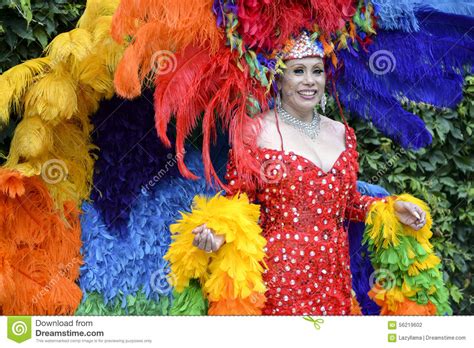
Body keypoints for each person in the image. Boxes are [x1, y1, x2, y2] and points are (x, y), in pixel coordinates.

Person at [190, 33, 427, 315]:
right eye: (298, 71)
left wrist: (391, 208)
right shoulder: (255, 131)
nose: (309, 81)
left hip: (336, 282)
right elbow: (239, 203)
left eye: (317, 71)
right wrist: (221, 232)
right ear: (278, 79)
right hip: (278, 284)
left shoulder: (343, 133)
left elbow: (348, 202)